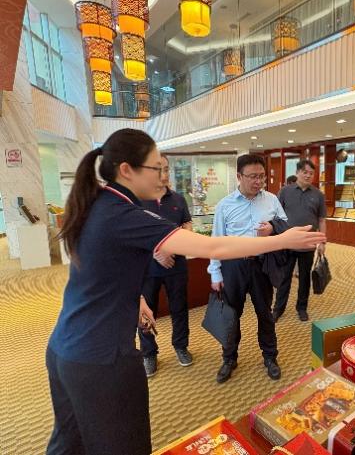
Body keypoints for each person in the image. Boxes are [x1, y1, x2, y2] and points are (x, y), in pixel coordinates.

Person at [46, 129, 325, 455]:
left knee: (68, 443)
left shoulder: (99, 203)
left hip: (65, 348)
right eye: (156, 168)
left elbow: (100, 269)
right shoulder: (125, 214)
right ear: (126, 170)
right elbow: (213, 246)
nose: (164, 177)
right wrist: (282, 240)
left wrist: (136, 298)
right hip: (101, 358)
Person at [208, 154, 289, 384]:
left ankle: (270, 357)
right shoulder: (225, 205)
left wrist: (272, 227)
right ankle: (229, 358)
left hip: (261, 265)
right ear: (239, 176)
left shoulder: (271, 199)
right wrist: (215, 272)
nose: (258, 181)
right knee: (231, 315)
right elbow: (216, 241)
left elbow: (285, 225)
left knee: (265, 313)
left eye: (261, 176)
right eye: (253, 176)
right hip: (233, 265)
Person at [138, 154, 193, 378]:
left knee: (179, 308)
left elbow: (187, 227)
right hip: (146, 269)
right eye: (157, 169)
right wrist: (157, 253)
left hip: (176, 265)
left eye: (167, 169)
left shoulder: (178, 199)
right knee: (146, 312)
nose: (163, 174)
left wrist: (170, 250)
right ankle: (149, 353)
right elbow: (133, 236)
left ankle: (181, 346)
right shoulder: (137, 200)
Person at [274, 159, 327, 322]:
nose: (308, 175)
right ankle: (278, 309)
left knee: (304, 278)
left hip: (308, 244)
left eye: (311, 173)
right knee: (284, 278)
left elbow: (322, 220)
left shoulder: (318, 195)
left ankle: (301, 308)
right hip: (287, 243)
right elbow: (276, 215)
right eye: (305, 172)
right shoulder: (285, 191)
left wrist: (322, 241)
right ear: (297, 172)